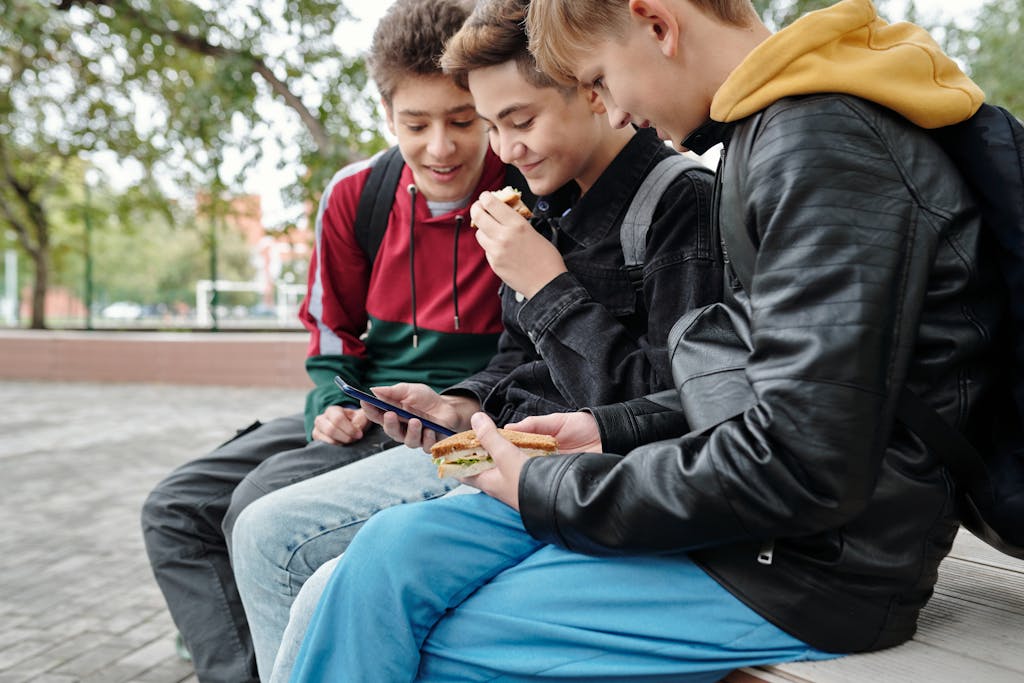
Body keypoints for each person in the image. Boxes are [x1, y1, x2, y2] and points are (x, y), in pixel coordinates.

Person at [284, 0, 1005, 680]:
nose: (616, 109)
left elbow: (800, 464)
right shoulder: (779, 135)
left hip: (807, 568)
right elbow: (767, 389)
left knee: (413, 631)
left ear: (657, 24)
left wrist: (551, 483)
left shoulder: (818, 148)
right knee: (382, 557)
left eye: (598, 79)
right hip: (746, 524)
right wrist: (602, 430)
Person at [229, 0, 724, 677]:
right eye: (491, 126)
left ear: (592, 88)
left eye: (517, 121)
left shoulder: (679, 204)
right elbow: (518, 361)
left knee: (300, 565)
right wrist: (456, 405)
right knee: (259, 528)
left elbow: (679, 407)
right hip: (489, 445)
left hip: (570, 476)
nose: (503, 151)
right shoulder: (546, 202)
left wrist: (548, 287)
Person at [137, 0, 513, 679]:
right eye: (416, 123)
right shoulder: (356, 195)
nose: (441, 147)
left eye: (462, 121)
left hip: (450, 416)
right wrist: (327, 404)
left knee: (258, 510)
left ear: (486, 108)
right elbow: (331, 333)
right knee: (175, 509)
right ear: (384, 112)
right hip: (362, 406)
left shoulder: (521, 189)